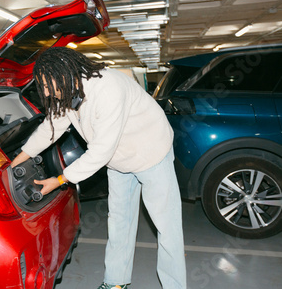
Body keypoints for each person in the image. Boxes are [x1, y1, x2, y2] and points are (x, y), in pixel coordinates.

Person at [11, 47, 187, 289]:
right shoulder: (67, 93)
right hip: (119, 159)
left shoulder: (108, 89)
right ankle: (116, 282)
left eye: (50, 85)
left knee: (166, 226)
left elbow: (100, 151)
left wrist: (60, 180)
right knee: (119, 221)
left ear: (65, 73)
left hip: (151, 152)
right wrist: (18, 159)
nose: (49, 93)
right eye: (44, 87)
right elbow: (50, 128)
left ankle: (175, 286)